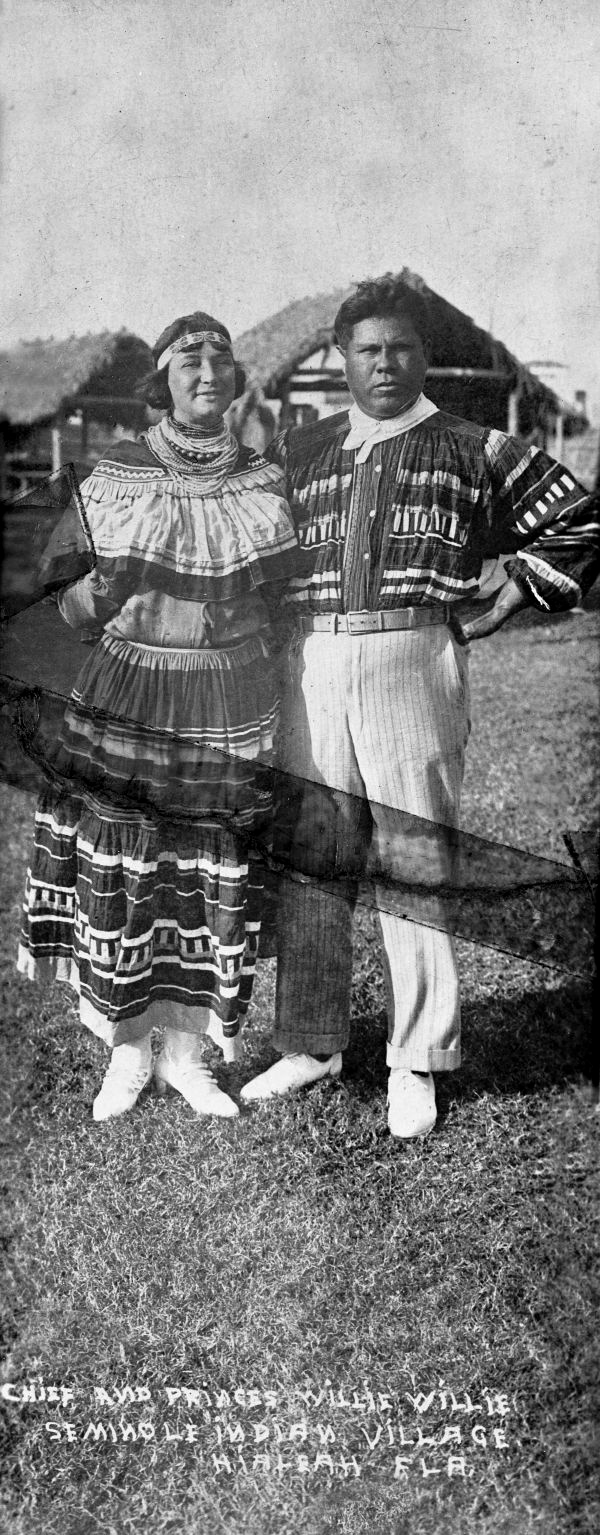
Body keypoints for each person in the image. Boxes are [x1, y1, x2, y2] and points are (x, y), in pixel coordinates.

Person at [240, 273, 600, 1137]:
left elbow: (583, 521)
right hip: (313, 658)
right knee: (314, 854)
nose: (386, 363)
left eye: (402, 348)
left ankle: (417, 1059)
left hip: (414, 654)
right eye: (368, 350)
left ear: (424, 355)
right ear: (341, 359)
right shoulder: (305, 448)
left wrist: (515, 585)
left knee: (413, 857)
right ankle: (312, 1042)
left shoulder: (475, 445)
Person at [17, 311, 299, 1122]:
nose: (208, 373)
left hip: (228, 695)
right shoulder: (114, 474)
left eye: (221, 360)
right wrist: (97, 595)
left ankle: (188, 1055)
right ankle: (127, 1053)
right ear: (162, 382)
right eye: (190, 363)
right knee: (131, 863)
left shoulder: (264, 479)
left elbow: (282, 599)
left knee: (206, 871)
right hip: (130, 685)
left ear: (238, 376)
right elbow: (62, 607)